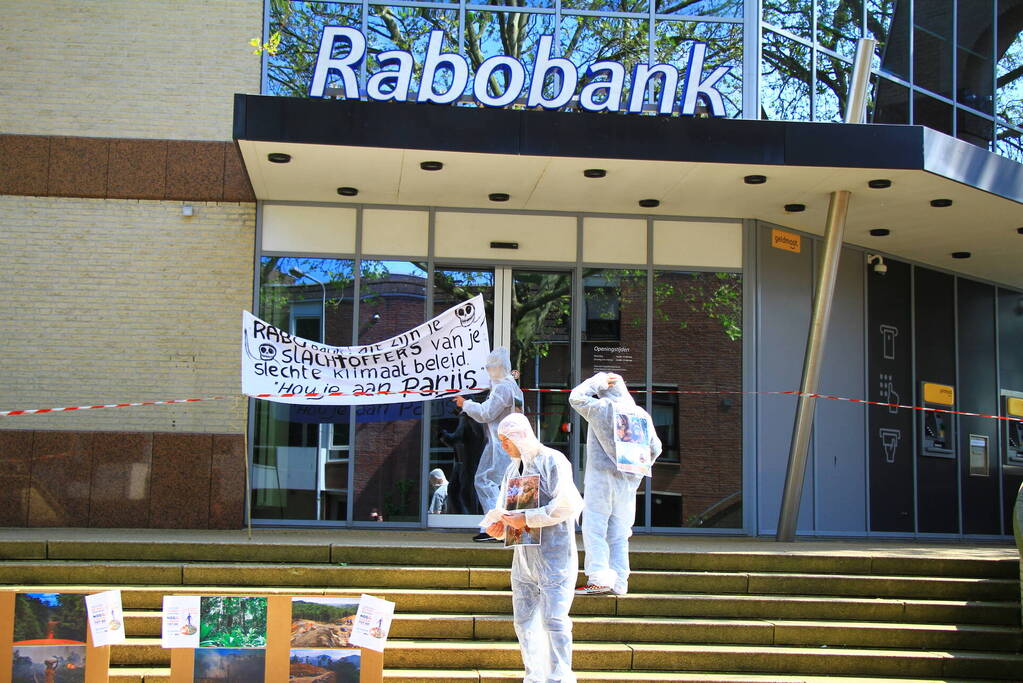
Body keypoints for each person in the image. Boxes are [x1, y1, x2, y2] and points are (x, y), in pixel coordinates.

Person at [481, 412, 583, 683]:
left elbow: (568, 504)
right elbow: (507, 510)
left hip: (554, 556)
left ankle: (559, 677)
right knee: (524, 622)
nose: (503, 446)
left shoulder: (552, 461)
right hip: (523, 559)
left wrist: (526, 518)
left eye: (506, 440)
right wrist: (499, 526)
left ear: (520, 436)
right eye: (500, 440)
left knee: (555, 620)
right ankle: (535, 676)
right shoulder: (513, 469)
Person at [570, 372, 661, 596]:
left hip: (600, 479)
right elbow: (656, 448)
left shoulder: (603, 408)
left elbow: (576, 398)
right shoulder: (641, 414)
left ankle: (599, 578)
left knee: (595, 528)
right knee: (620, 532)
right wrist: (638, 472)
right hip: (628, 481)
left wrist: (595, 382)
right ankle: (620, 581)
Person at [454, 346, 524, 542]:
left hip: (501, 444)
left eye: (491, 368)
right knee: (501, 484)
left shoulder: (503, 388)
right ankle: (504, 526)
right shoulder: (512, 387)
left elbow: (486, 413)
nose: (489, 372)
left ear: (500, 367)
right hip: (508, 443)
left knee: (486, 480)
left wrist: (465, 404)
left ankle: (497, 527)